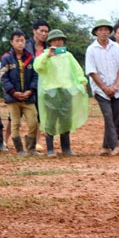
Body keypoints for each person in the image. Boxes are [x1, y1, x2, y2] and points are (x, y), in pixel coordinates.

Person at [33, 29, 88, 157]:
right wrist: (47, 56)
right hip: (50, 92)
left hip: (66, 91)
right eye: (55, 40)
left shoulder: (68, 56)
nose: (58, 42)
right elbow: (38, 67)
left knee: (66, 120)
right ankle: (50, 149)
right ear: (50, 42)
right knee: (50, 120)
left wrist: (82, 82)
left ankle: (66, 148)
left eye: (60, 40)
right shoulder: (44, 55)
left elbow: (77, 71)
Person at [85, 19, 119, 156]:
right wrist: (104, 88)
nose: (104, 32)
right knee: (108, 117)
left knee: (116, 117)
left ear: (110, 32)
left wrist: (115, 86)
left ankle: (105, 147)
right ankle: (115, 146)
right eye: (100, 30)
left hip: (117, 89)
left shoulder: (116, 47)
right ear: (96, 32)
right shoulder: (91, 49)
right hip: (100, 90)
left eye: (106, 30)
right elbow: (92, 72)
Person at [0, 29, 40, 156]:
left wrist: (31, 90)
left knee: (33, 122)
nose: (20, 43)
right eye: (17, 41)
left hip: (28, 97)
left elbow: (35, 76)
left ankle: (31, 148)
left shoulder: (30, 58)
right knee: (15, 123)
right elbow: (3, 77)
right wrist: (13, 92)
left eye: (22, 41)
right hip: (13, 98)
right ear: (12, 42)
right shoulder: (7, 59)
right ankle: (20, 150)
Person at [25, 19, 50, 151]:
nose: (44, 34)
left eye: (46, 31)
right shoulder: (26, 45)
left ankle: (37, 142)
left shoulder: (48, 48)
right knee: (15, 116)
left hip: (44, 84)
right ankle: (5, 141)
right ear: (34, 30)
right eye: (41, 31)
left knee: (39, 114)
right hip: (27, 83)